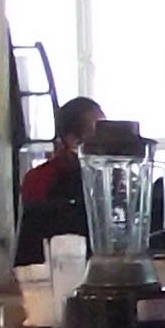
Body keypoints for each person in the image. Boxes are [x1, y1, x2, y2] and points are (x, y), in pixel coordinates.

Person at [17, 95, 104, 254]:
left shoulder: (107, 178)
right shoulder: (39, 179)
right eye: (98, 133)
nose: (105, 140)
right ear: (73, 141)